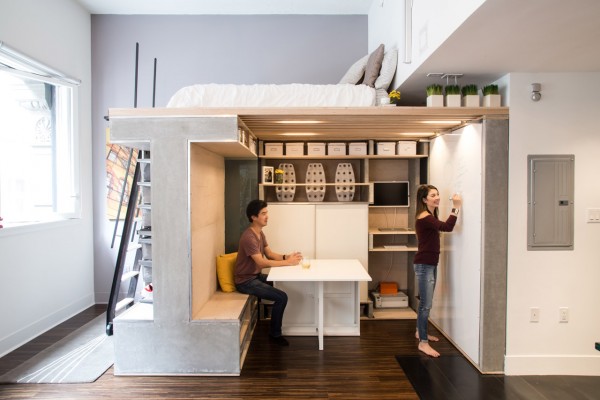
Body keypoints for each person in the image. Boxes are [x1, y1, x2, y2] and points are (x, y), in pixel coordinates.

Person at [234, 199, 302, 346]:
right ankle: (275, 334)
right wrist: (287, 263)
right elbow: (261, 262)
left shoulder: (260, 233)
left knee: (284, 285)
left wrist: (286, 257)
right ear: (253, 217)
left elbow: (270, 254)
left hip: (255, 276)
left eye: (267, 213)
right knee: (281, 297)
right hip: (245, 281)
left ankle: (292, 325)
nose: (267, 216)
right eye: (263, 213)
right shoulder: (248, 237)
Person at [413, 184, 462, 357]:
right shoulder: (425, 217)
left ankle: (420, 333)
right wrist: (456, 208)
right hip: (425, 265)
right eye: (433, 195)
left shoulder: (430, 214)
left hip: (429, 263)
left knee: (425, 303)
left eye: (438, 194)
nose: (437, 197)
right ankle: (423, 343)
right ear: (425, 200)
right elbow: (447, 227)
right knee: (426, 305)